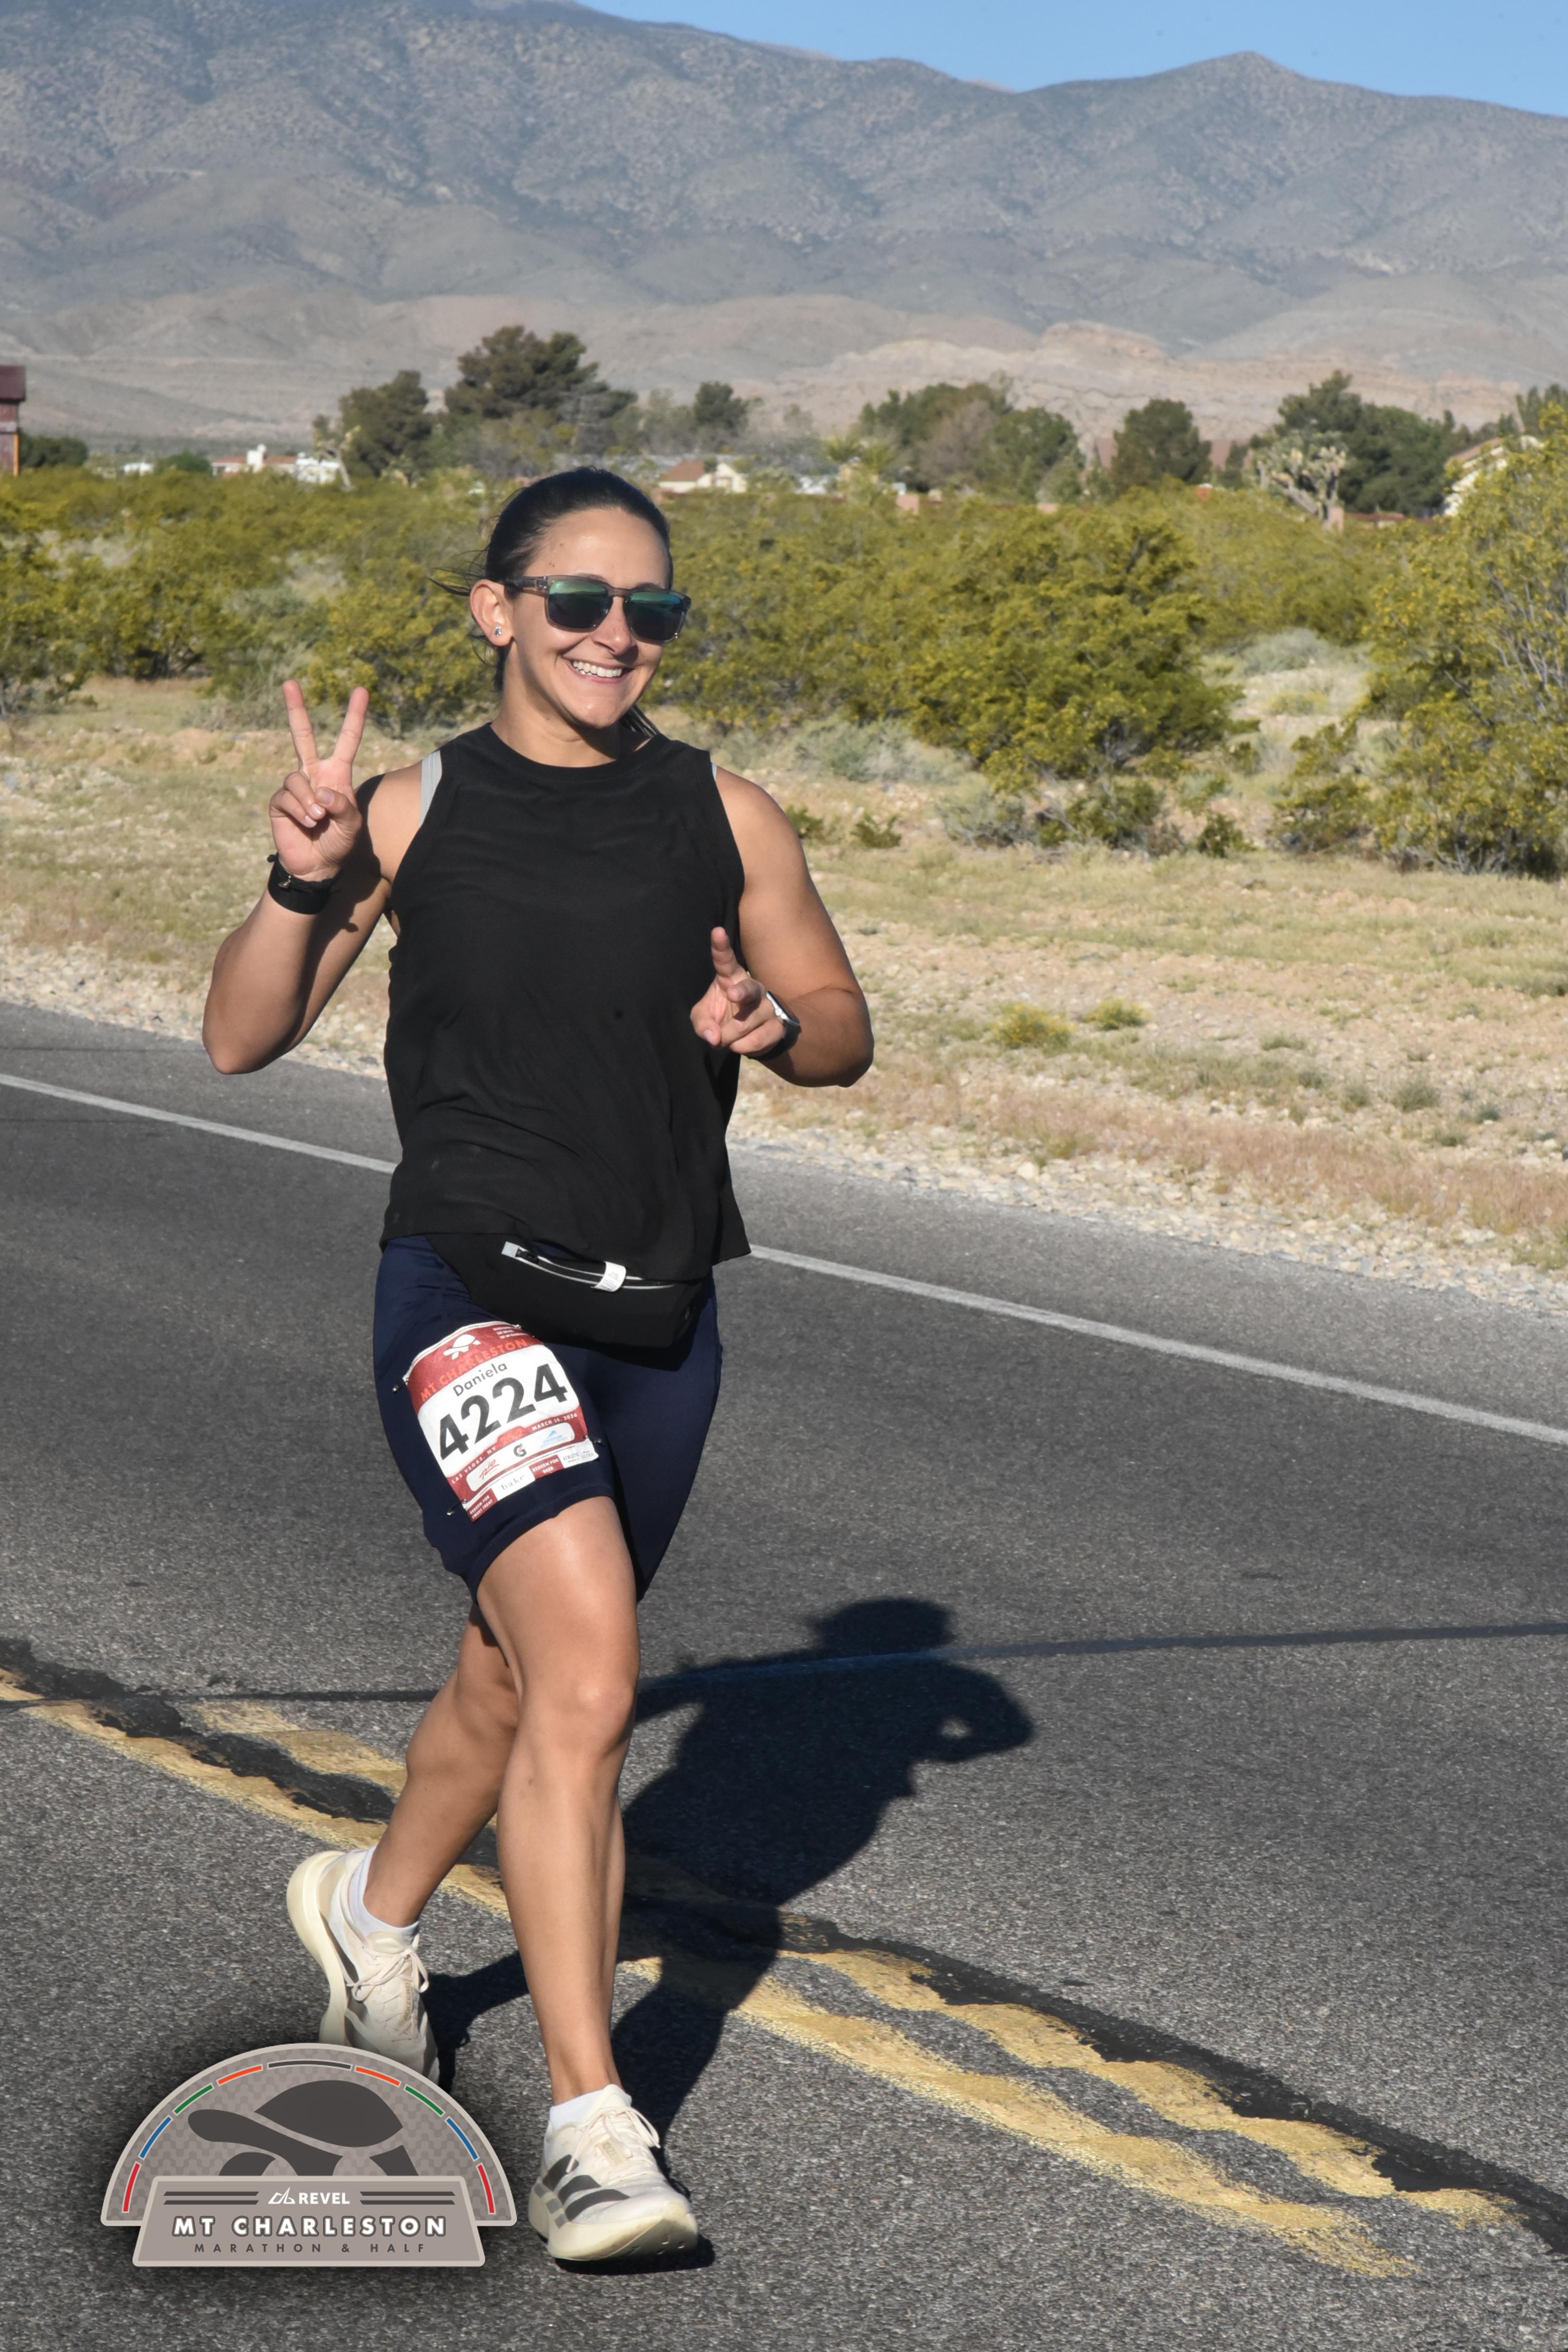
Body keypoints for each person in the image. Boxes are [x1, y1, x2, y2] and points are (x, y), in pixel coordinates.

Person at [201, 467, 873, 2263]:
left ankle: (369, 1913)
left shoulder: (726, 813)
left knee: (514, 1673)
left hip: (660, 1311)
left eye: (651, 609)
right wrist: (301, 877)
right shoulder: (411, 811)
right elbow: (240, 1036)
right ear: (496, 610)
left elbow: (842, 1031)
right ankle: (595, 2131)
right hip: (467, 1290)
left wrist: (772, 1026)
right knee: (590, 1671)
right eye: (577, 600)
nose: (614, 636)